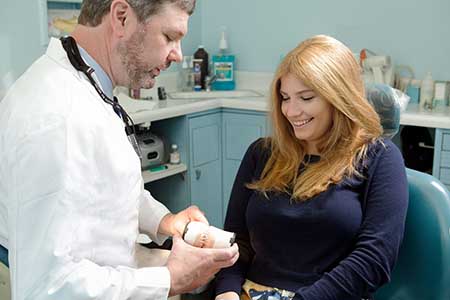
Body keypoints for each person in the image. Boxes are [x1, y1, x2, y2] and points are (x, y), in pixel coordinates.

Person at [0, 0, 239, 299]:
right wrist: (170, 280)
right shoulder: (56, 118)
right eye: (170, 37)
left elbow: (105, 186)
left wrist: (164, 222)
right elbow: (47, 287)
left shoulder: (88, 83)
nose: (178, 55)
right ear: (122, 18)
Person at [214, 35, 408, 300]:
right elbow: (236, 240)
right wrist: (226, 292)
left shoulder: (380, 158)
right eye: (285, 98)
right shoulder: (261, 153)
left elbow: (375, 259)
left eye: (305, 98)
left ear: (338, 98)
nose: (291, 111)